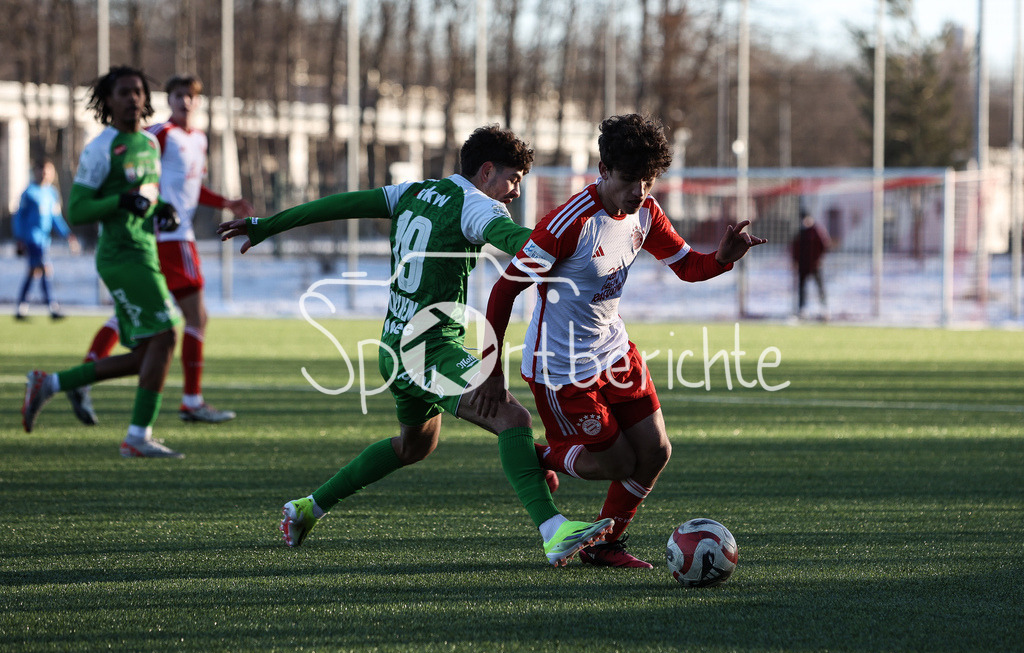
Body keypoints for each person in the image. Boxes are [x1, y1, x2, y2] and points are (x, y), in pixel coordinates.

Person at [217, 124, 613, 566]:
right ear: (486, 171)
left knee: (415, 446)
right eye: (513, 179)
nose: (515, 192)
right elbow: (517, 242)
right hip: (426, 349)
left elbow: (341, 204)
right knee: (511, 416)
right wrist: (572, 249)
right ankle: (553, 529)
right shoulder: (478, 207)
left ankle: (308, 507)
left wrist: (269, 224)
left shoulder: (414, 190)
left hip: (395, 344)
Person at [477, 113, 766, 568]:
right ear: (605, 170)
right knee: (614, 464)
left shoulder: (646, 213)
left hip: (614, 351)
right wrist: (490, 371)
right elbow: (504, 290)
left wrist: (722, 259)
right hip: (562, 367)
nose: (640, 191)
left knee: (654, 453)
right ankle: (535, 459)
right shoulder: (566, 224)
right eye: (631, 179)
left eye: (649, 180)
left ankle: (605, 543)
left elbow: (687, 265)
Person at [71, 74, 254, 426]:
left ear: (197, 101)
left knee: (139, 314)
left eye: (190, 96)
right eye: (178, 95)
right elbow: (135, 163)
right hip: (166, 237)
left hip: (175, 234)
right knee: (193, 318)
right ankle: (190, 400)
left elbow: (193, 188)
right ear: (167, 100)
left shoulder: (198, 139)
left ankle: (85, 373)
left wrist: (227, 202)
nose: (185, 101)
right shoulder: (158, 135)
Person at [21, 65, 185, 459]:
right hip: (120, 256)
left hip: (145, 251)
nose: (133, 99)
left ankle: (53, 383)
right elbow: (77, 209)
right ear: (108, 101)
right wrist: (119, 202)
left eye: (138, 92)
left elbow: (146, 194)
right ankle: (137, 437)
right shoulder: (100, 148)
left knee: (147, 354)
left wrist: (162, 209)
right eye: (124, 92)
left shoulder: (150, 144)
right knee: (166, 337)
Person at [13, 158, 80, 320]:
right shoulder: (29, 193)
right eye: (41, 171)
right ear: (35, 172)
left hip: (44, 240)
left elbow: (55, 218)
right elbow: (18, 217)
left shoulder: (51, 193)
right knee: (46, 269)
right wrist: (20, 238)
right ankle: (52, 307)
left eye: (47, 172)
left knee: (33, 272)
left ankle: (21, 308)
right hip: (32, 239)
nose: (44, 175)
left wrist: (67, 234)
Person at [790, 211, 830, 319]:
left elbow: (824, 245)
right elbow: (795, 248)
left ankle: (823, 308)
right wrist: (795, 261)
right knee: (802, 288)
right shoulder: (800, 233)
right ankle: (802, 309)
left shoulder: (817, 231)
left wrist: (819, 258)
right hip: (803, 265)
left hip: (815, 265)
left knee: (820, 287)